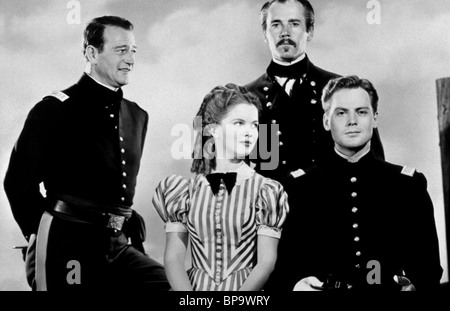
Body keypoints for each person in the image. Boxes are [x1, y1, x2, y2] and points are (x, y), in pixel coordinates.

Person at [4, 16, 170, 291]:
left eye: (133, 51)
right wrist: (44, 233)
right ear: (92, 53)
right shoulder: (54, 109)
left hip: (117, 246)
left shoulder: (138, 116)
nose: (130, 59)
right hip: (66, 246)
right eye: (121, 50)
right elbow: (18, 183)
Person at [267, 75, 442, 291]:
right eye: (341, 113)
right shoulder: (298, 187)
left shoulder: (407, 185)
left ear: (374, 118)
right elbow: (282, 268)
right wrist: (296, 285)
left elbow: (429, 270)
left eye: (361, 112)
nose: (352, 121)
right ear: (325, 121)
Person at [152, 84, 289, 291]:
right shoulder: (182, 192)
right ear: (214, 129)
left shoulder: (267, 190)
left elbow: (266, 263)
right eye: (239, 123)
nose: (249, 132)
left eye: (254, 124)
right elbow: (173, 259)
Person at [245, 0, 384, 185]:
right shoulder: (244, 98)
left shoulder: (343, 91)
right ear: (265, 32)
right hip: (269, 209)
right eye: (276, 24)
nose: (285, 32)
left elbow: (374, 164)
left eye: (294, 24)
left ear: (309, 31)